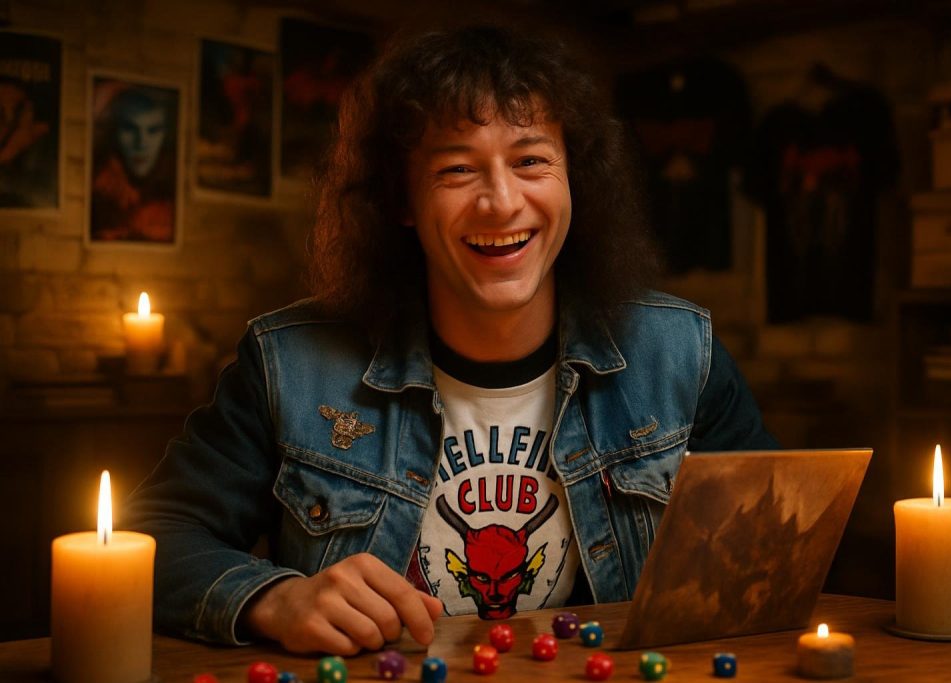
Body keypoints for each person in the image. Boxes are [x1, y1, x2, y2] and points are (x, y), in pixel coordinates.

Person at [123, 23, 777, 656]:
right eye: (457, 169)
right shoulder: (288, 365)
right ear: (402, 200)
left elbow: (772, 551)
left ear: (573, 179)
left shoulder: (681, 355)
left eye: (530, 161)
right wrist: (273, 598)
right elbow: (147, 539)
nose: (500, 201)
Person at [90, 83, 177, 243]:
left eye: (153, 130)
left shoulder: (172, 178)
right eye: (130, 129)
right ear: (114, 133)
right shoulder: (99, 178)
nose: (141, 143)